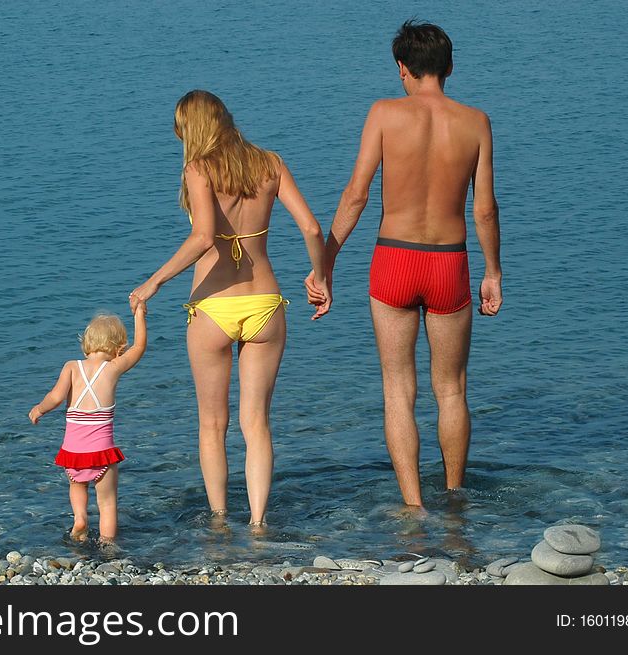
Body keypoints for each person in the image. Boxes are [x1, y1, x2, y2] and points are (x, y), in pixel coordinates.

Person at [307, 20, 503, 508]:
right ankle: (454, 498)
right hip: (448, 262)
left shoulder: (383, 114)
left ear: (402, 69)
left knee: (398, 391)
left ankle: (413, 506)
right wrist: (493, 271)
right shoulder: (475, 121)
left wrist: (325, 263)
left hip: (394, 258)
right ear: (449, 67)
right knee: (452, 390)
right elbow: (484, 209)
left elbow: (356, 196)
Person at [129, 90, 330, 528]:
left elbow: (203, 237)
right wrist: (320, 276)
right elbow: (313, 227)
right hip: (265, 304)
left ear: (194, 128)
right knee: (255, 422)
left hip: (213, 307)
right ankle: (258, 522)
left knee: (211, 424)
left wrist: (153, 282)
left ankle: (219, 520)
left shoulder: (198, 169)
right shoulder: (270, 164)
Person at [28, 305, 147, 543]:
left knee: (77, 486)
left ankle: (80, 517)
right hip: (101, 453)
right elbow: (140, 347)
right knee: (107, 502)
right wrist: (139, 315)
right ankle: (107, 544)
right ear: (118, 348)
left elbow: (56, 396)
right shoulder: (113, 368)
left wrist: (39, 409)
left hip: (73, 452)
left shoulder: (71, 367)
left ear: (87, 342)